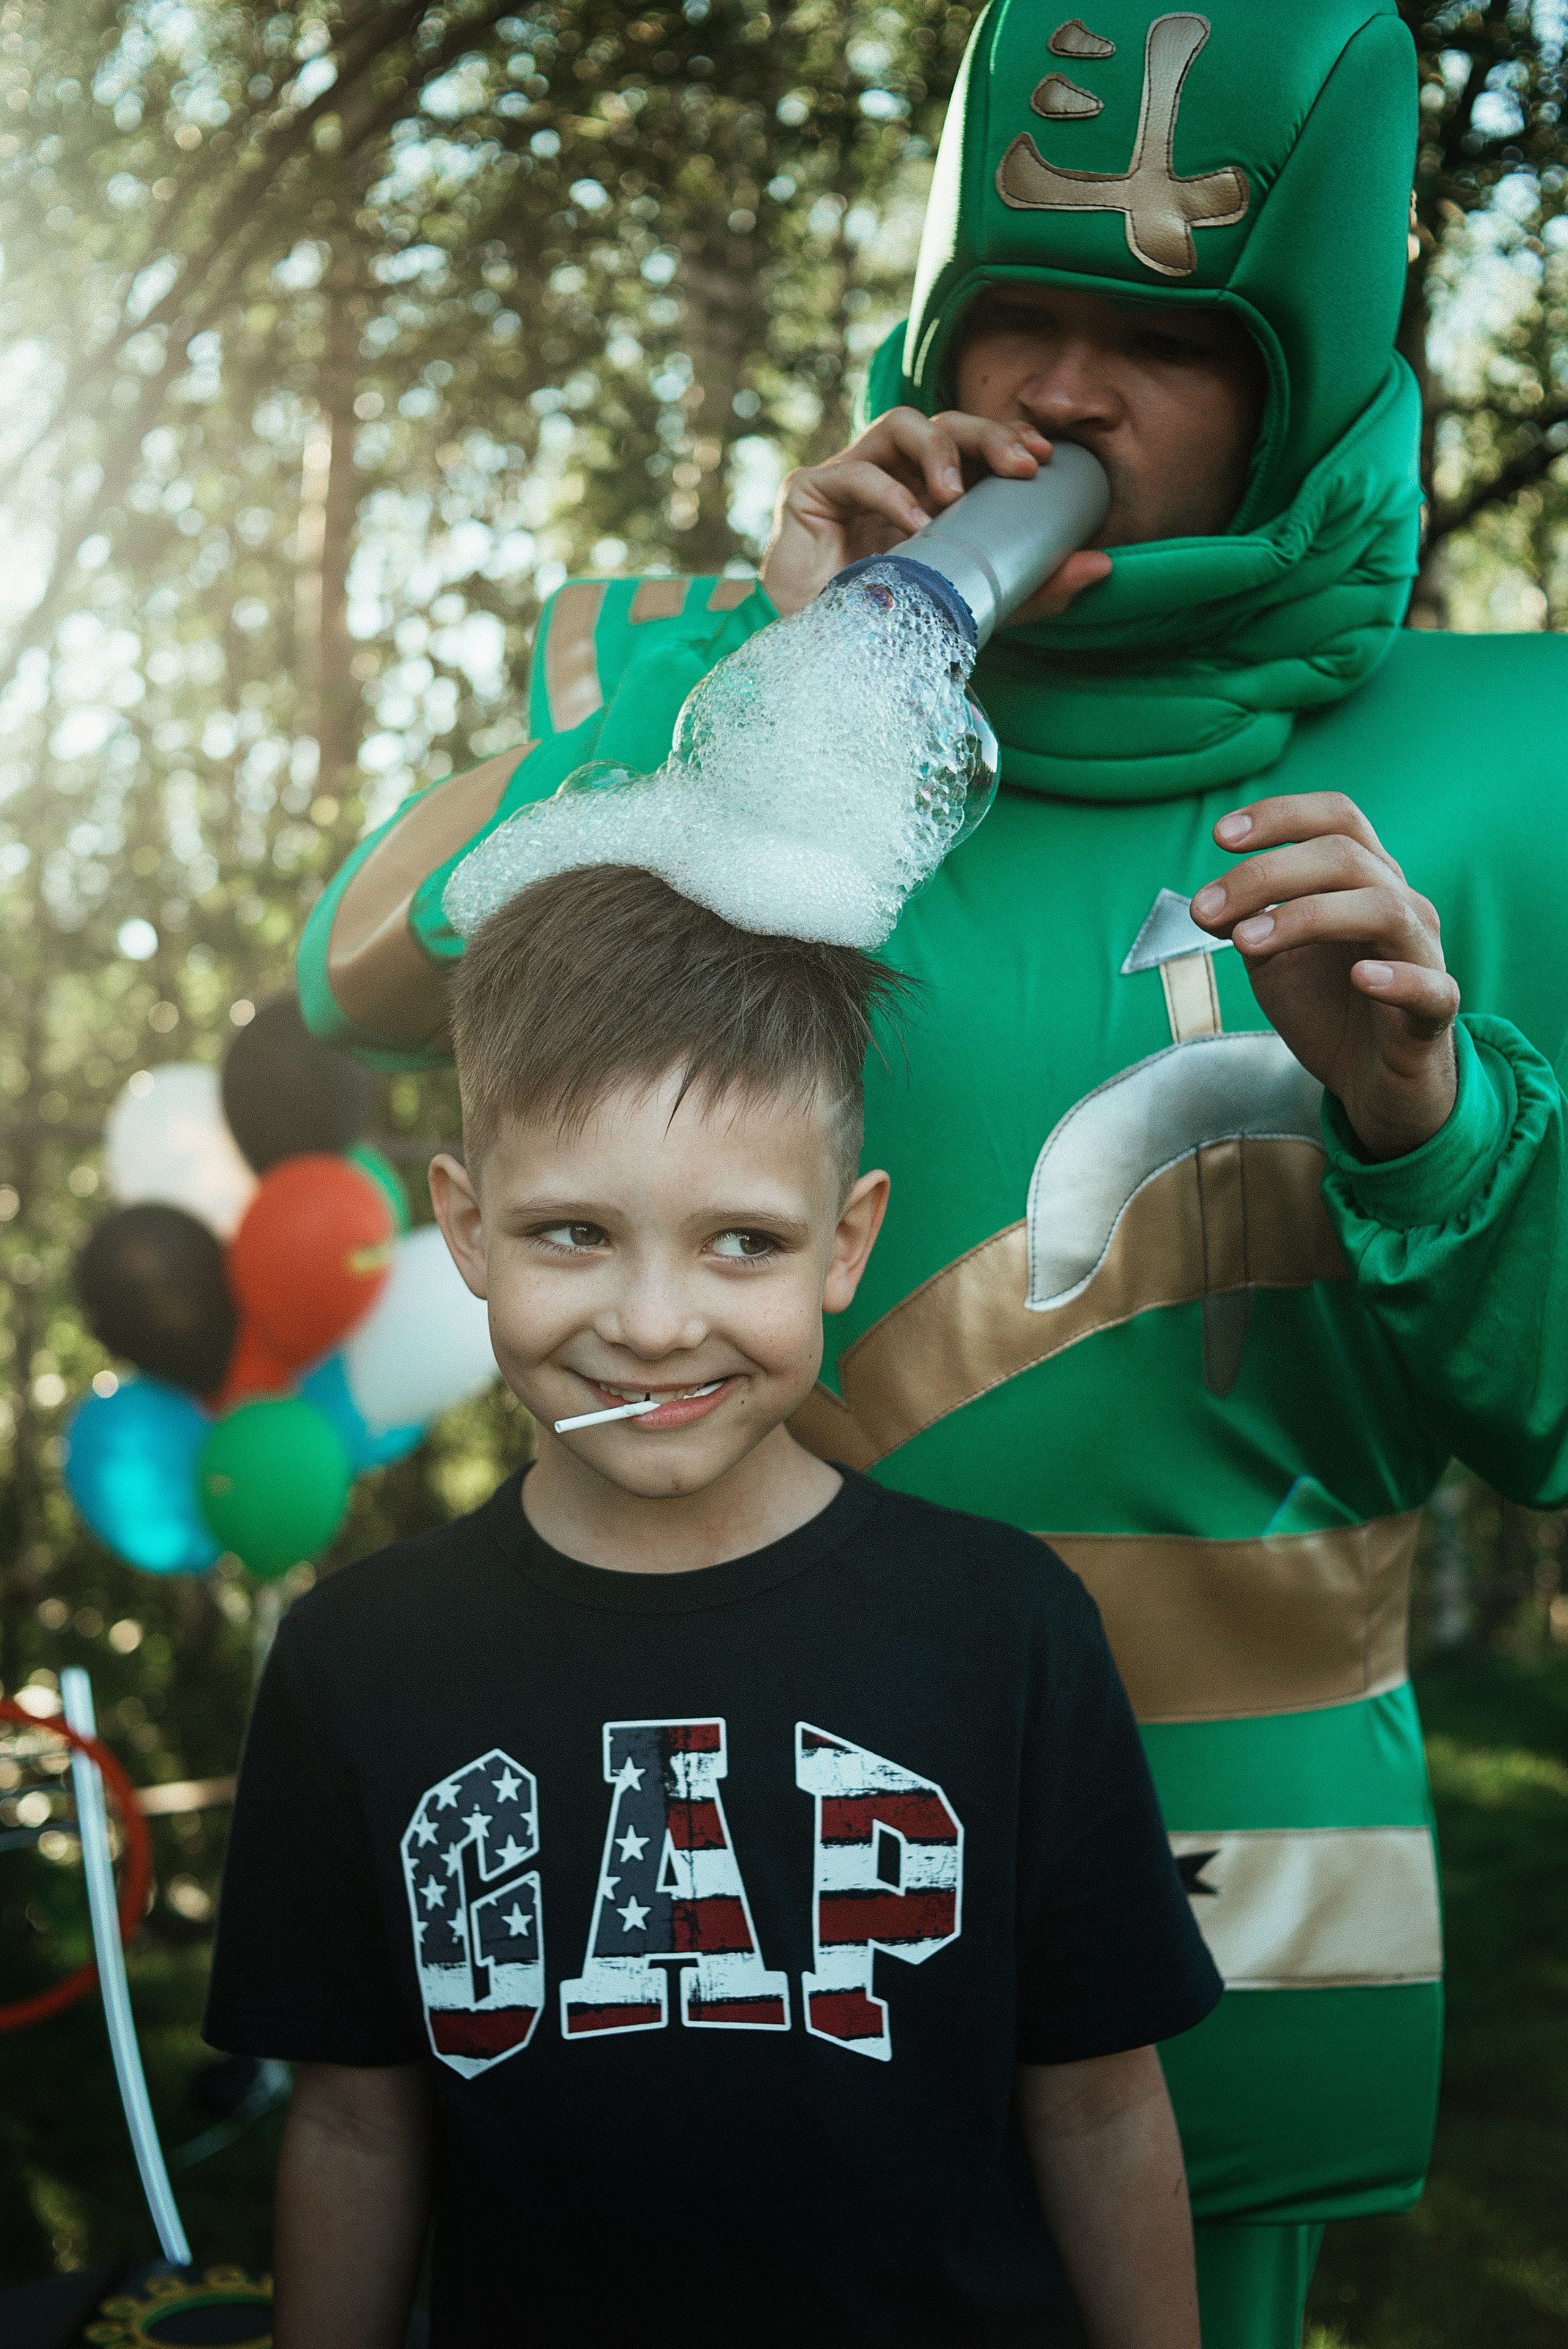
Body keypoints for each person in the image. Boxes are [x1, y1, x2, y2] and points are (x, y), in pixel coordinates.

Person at [293, 4, 1568, 2342]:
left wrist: (1433, 1111)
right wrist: (752, 674)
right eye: (1020, 320)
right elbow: (371, 964)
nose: (1068, 397)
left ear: (1304, 385)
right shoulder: (725, 674)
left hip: (1235, 1912)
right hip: (697, 1868)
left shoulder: (1519, 761)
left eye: (1167, 343)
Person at [208, 864, 1224, 2349]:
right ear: (467, 1228)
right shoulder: (356, 1661)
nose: (653, 1323)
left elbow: (1099, 2104)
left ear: (844, 1242)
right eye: (572, 1232)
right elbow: (357, 2125)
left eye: (741, 1240)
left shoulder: (1006, 1630)